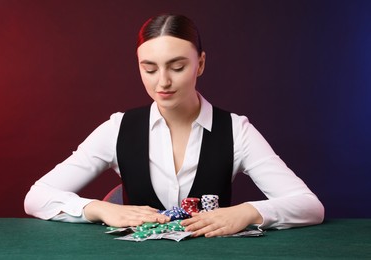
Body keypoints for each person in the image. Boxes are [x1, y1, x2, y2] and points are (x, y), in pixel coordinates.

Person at [24, 13, 324, 238]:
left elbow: (309, 206)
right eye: (149, 69)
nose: (162, 82)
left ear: (201, 64)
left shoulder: (236, 130)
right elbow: (37, 197)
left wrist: (249, 211)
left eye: (177, 67)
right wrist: (100, 209)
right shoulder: (118, 128)